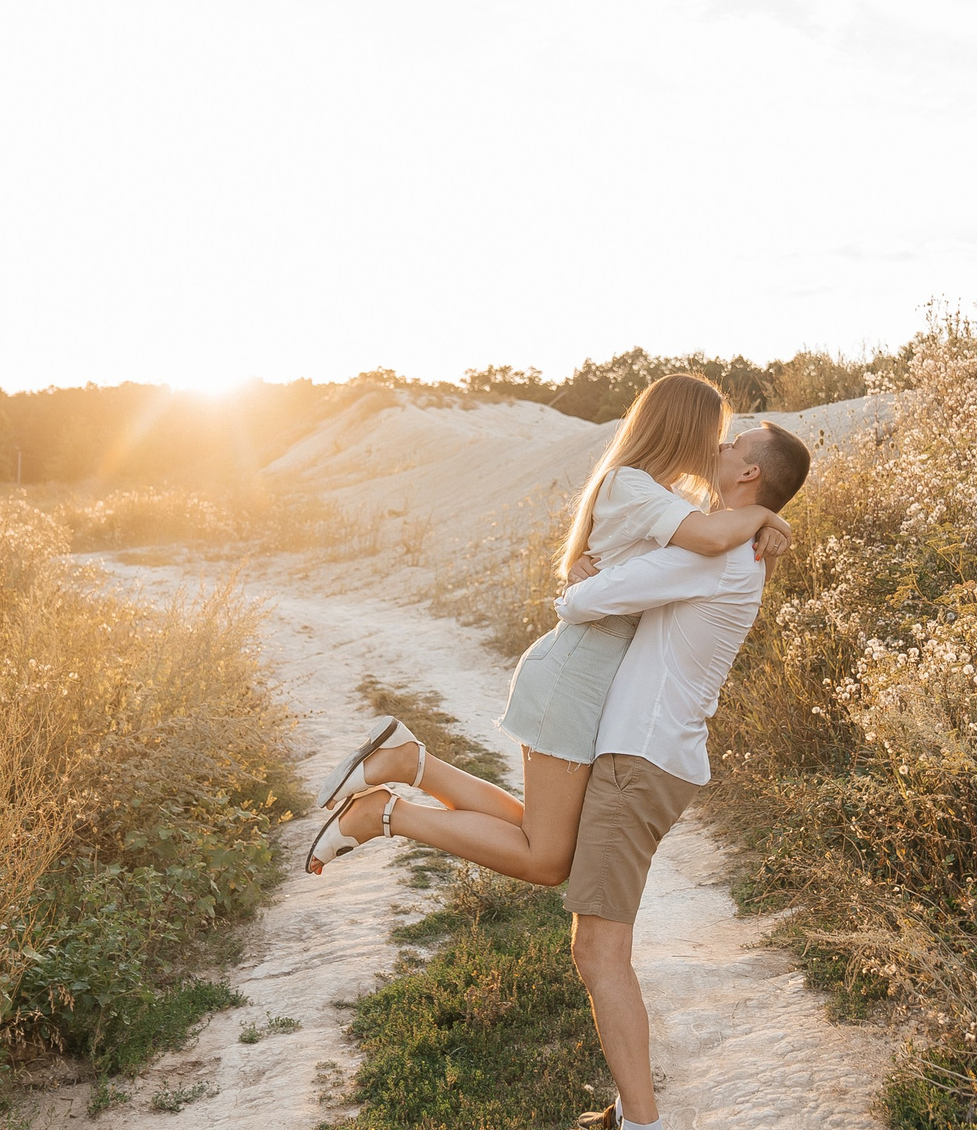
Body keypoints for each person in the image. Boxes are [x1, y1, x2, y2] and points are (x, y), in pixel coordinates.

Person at [312, 417, 815, 1130]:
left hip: (642, 759)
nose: (717, 446)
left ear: (749, 473)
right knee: (550, 862)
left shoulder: (719, 553)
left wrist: (585, 578)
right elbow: (637, 576)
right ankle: (405, 774)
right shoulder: (725, 542)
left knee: (598, 950)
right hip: (645, 754)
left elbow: (589, 600)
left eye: (732, 444)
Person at [303, 373, 787, 887]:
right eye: (715, 432)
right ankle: (384, 814)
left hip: (591, 675)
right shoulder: (632, 484)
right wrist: (765, 513)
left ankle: (408, 763)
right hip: (577, 672)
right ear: (685, 428)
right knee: (547, 859)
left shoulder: (663, 495)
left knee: (544, 840)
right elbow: (710, 538)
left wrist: (763, 524)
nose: (718, 446)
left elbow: (684, 551)